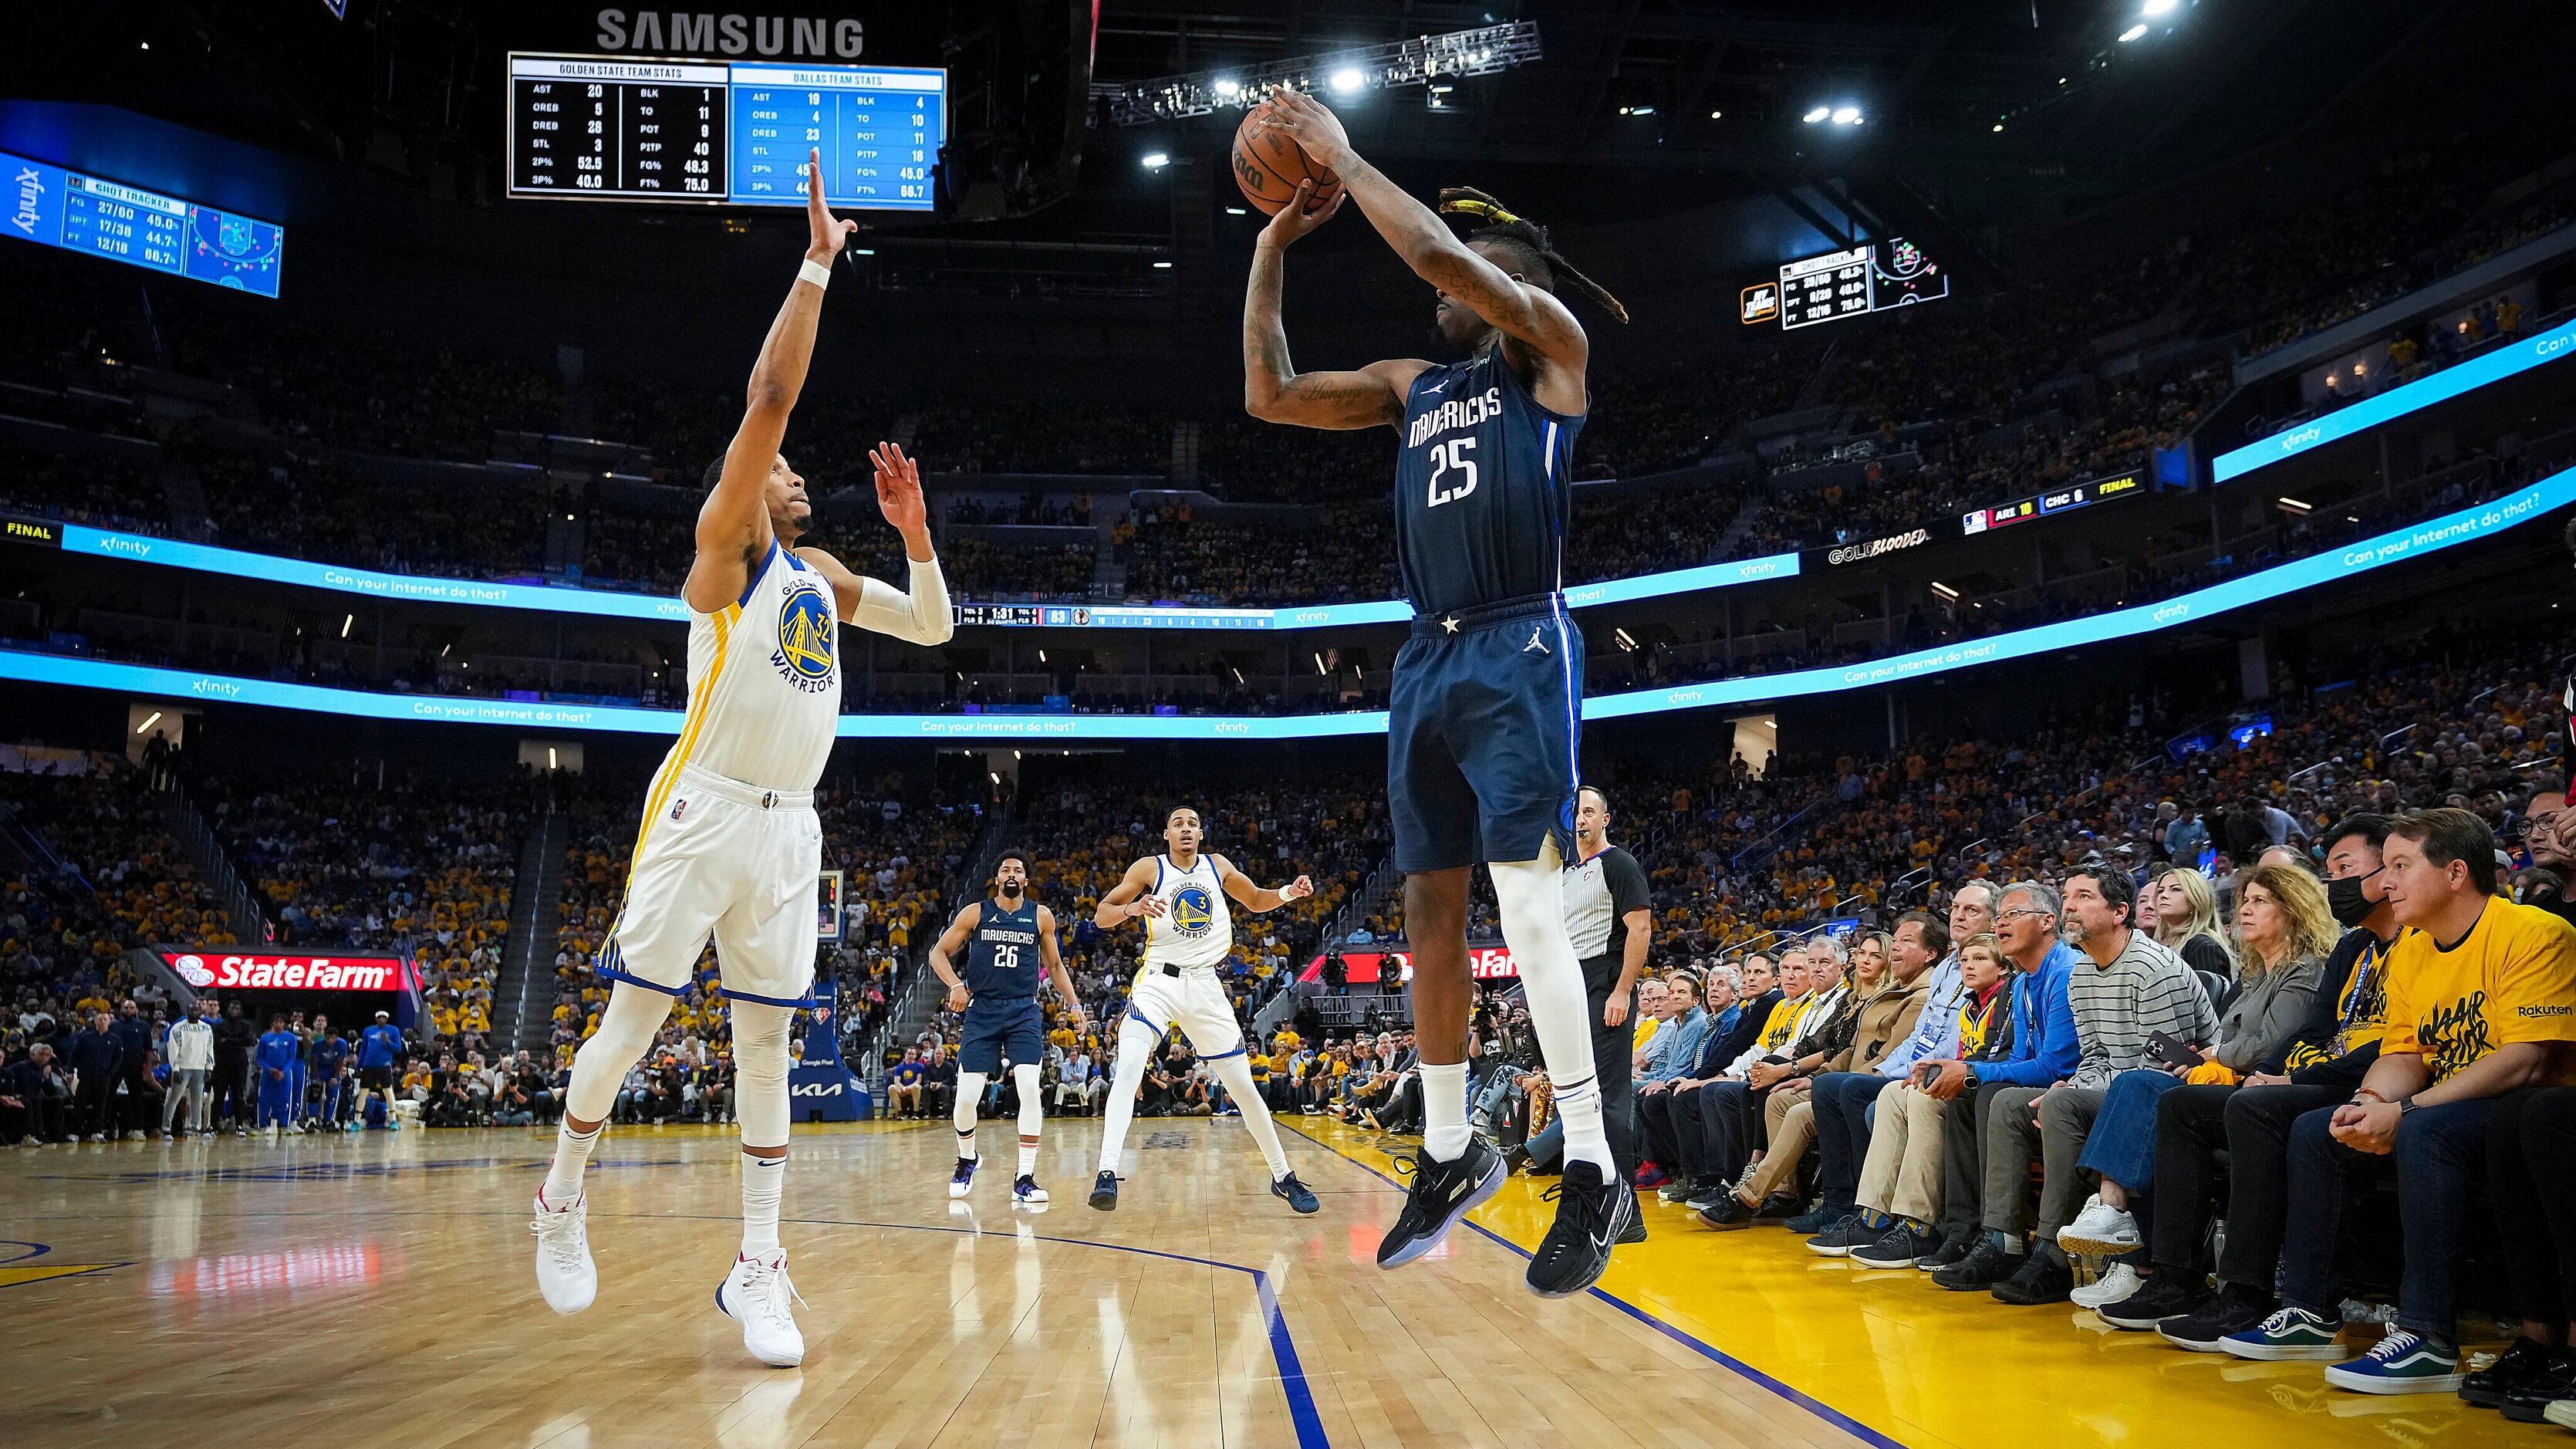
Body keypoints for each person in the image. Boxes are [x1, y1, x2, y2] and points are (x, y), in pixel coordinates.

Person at [527, 153, 954, 1370]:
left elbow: (933, 628)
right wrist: (817, 262)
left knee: (766, 1049)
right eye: (777, 463)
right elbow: (770, 390)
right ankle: (562, 1189)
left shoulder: (821, 575)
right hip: (703, 808)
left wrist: (918, 539)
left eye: (791, 466)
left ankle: (760, 1264)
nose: (793, 468)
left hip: (790, 826)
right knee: (633, 1025)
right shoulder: (727, 555)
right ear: (740, 480)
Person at [1244, 87, 1636, 1297]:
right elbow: (1269, 390)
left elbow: (1436, 251)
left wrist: (1343, 156)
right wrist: (1268, 249)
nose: (1441, 287)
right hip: (1426, 654)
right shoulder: (1412, 382)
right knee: (1426, 915)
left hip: (1520, 642)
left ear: (1508, 278)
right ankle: (1451, 1146)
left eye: (1472, 271)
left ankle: (1589, 1165)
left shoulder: (1549, 351)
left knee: (1524, 904)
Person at [2222, 809, 2576, 1393]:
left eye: (2400, 866)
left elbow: (2526, 1059)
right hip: (2445, 1101)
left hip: (2522, 1106)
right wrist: (2368, 1102)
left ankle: (2426, 1335)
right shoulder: (2412, 949)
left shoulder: (2533, 932)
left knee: (2424, 1132)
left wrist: (2407, 1111)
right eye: (2384, 867)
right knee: (2322, 1128)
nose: (2385, 883)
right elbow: (2405, 1052)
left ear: (2456, 871)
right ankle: (2310, 1313)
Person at [2146, 814, 2399, 1349]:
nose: (2334, 883)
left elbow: (2389, 1046)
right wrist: (2277, 1073)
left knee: (2252, 1108)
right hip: (2323, 1075)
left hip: (2369, 1083)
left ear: (2392, 869)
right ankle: (2174, 1277)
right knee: (2181, 1105)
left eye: (2344, 868)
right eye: (2329, 871)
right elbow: (2311, 1032)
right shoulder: (2354, 950)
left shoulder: (2405, 948)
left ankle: (2245, 1290)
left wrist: (2285, 1076)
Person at [2072, 861, 2331, 1316]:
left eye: (2259, 902)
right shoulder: (2255, 977)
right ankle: (2149, 1263)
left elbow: (2271, 1043)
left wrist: (2212, 1057)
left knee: (2148, 1090)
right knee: (2149, 1091)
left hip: (2265, 1088)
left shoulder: (2305, 971)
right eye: (2244, 901)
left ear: (2293, 910)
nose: (2244, 910)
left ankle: (2133, 1238)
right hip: (2218, 1080)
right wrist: (2202, 1058)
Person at [1089, 806, 1322, 1216]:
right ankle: (1107, 1172)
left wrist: (1289, 892)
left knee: (1244, 1089)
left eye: (1191, 824)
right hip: (1159, 981)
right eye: (1177, 824)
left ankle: (1283, 1176)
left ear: (1200, 834)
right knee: (1128, 1065)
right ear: (1166, 834)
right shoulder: (1149, 868)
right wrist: (1133, 909)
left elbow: (1254, 899)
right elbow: (1101, 914)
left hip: (1205, 985)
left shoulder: (1218, 866)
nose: (1185, 829)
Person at [926, 852, 1087, 1207]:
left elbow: (1056, 966)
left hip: (1023, 1012)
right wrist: (955, 985)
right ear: (997, 879)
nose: (1011, 874)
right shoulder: (976, 912)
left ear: (1026, 880)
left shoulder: (1040, 916)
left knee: (1029, 1089)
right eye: (1005, 870)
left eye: (1018, 870)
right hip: (982, 1010)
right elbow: (938, 954)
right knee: (967, 1097)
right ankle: (968, 1159)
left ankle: (1024, 1177)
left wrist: (1074, 1005)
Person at [1556, 785, 1652, 1222]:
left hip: (1606, 981)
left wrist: (1622, 990)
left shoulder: (1620, 864)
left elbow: (1641, 930)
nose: (1582, 819)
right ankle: (1593, 1190)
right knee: (1579, 1095)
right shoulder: (1564, 872)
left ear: (1604, 819)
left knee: (1610, 1097)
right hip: (1573, 982)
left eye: (1590, 812)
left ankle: (1625, 1208)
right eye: (1576, 812)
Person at [162, 1001, 215, 1137]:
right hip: (183, 1068)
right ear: (187, 1011)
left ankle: (195, 1126)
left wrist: (209, 1068)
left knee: (197, 1100)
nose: (193, 1012)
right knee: (174, 1098)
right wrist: (175, 1069)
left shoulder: (206, 1028)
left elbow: (209, 1049)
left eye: (196, 1010)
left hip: (199, 1068)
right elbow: (173, 1049)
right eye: (191, 1010)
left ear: (200, 1012)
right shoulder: (178, 1028)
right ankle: (166, 1127)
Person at [356, 1012, 406, 1130]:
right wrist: (358, 1065)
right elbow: (364, 1049)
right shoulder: (368, 1030)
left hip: (384, 1065)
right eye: (379, 1017)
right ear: (376, 1018)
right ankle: (356, 1121)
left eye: (384, 1017)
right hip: (368, 1065)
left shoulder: (393, 1030)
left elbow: (398, 1049)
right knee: (363, 1092)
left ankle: (393, 1120)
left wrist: (387, 1041)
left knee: (388, 1091)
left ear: (387, 1019)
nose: (381, 1019)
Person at [254, 1013, 302, 1137]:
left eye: (281, 1022)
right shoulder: (265, 1038)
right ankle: (263, 1126)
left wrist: (283, 1071)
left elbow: (291, 1057)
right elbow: (260, 1057)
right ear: (272, 1023)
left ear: (284, 1024)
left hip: (284, 1074)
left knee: (284, 1099)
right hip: (268, 1074)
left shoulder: (291, 1038)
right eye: (276, 1022)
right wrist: (269, 1069)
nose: (279, 1024)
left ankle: (284, 1126)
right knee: (264, 1099)